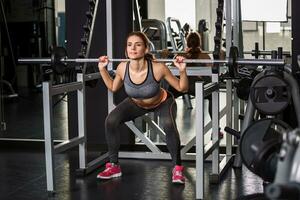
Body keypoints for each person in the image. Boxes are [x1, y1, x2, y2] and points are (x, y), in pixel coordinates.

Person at [97, 31, 188, 184]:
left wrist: (182, 70)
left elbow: (182, 87)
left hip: (163, 102)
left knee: (168, 124)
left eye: (138, 45)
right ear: (126, 50)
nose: (133, 48)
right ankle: (114, 166)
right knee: (110, 121)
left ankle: (177, 169)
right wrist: (102, 69)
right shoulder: (122, 68)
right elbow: (113, 87)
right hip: (136, 103)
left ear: (145, 49)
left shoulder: (158, 68)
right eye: (129, 45)